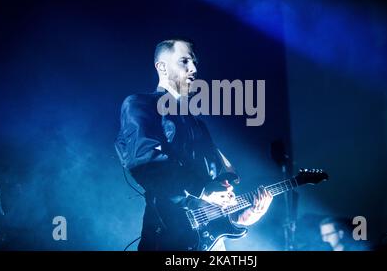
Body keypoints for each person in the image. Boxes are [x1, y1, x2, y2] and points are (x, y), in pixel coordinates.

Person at [115, 38, 273, 251]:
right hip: (169, 237)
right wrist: (202, 190)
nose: (194, 68)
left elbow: (215, 189)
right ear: (161, 66)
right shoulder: (140, 104)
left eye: (195, 62)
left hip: (211, 244)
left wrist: (243, 216)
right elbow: (146, 163)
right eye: (184, 61)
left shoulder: (197, 124)